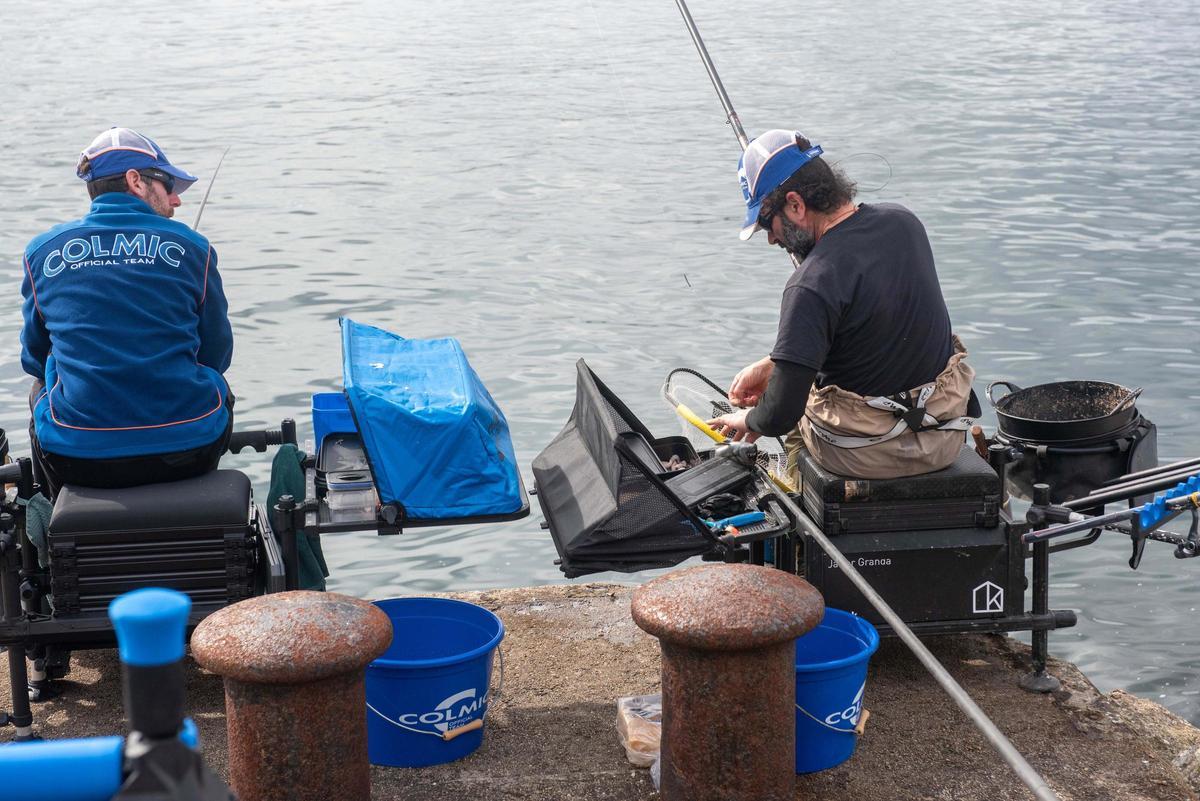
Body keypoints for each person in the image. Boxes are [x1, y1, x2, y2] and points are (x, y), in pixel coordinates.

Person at [707, 129, 976, 480]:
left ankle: (800, 494)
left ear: (795, 205)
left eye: (766, 224)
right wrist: (776, 362)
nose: (772, 238)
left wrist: (747, 419)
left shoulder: (810, 284)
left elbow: (778, 415)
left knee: (795, 417)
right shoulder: (905, 223)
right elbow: (871, 330)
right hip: (943, 439)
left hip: (870, 456)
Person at [20, 127, 234, 499]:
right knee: (219, 388)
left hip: (77, 457)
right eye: (168, 185)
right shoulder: (193, 247)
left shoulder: (42, 251)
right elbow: (216, 355)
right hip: (187, 450)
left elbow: (34, 358)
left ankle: (54, 510)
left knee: (41, 387)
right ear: (136, 181)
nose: (176, 201)